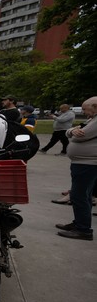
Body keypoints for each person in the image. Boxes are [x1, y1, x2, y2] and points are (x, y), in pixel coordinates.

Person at [56, 96, 97, 241]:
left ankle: (83, 229)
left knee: (79, 196)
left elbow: (78, 136)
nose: (84, 112)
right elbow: (71, 132)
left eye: (86, 109)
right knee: (83, 195)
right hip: (83, 163)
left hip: (88, 164)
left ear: (95, 106)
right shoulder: (92, 119)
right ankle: (79, 224)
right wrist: (72, 131)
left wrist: (72, 133)